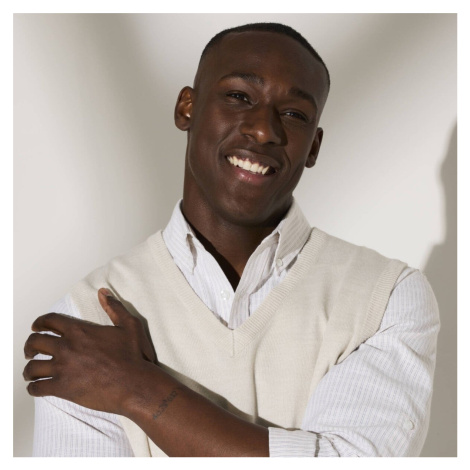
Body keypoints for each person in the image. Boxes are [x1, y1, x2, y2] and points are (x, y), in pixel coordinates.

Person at [23, 22, 440, 457]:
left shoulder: (384, 298)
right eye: (239, 96)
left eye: (294, 114)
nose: (263, 130)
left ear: (314, 147)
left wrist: (139, 389)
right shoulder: (86, 319)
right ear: (187, 107)